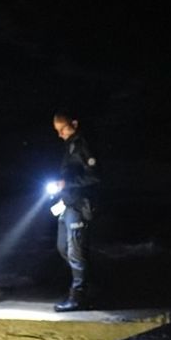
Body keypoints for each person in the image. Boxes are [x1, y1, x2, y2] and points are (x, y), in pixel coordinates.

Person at [50, 111, 99, 311]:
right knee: (64, 248)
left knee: (76, 251)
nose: (60, 134)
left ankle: (78, 296)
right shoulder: (69, 147)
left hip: (79, 204)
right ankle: (87, 288)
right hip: (67, 203)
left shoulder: (83, 145)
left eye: (63, 129)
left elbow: (95, 176)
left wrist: (66, 183)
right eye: (57, 131)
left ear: (74, 124)